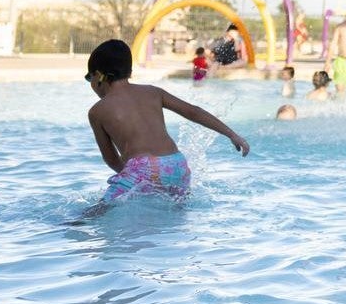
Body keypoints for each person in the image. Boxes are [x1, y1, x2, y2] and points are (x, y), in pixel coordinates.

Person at [84, 39, 250, 204]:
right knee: (174, 215)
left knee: (98, 211)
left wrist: (136, 178)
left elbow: (111, 159)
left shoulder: (97, 111)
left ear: (98, 75)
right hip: (177, 165)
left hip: (143, 169)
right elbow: (193, 111)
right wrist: (232, 134)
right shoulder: (153, 92)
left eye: (88, 77)